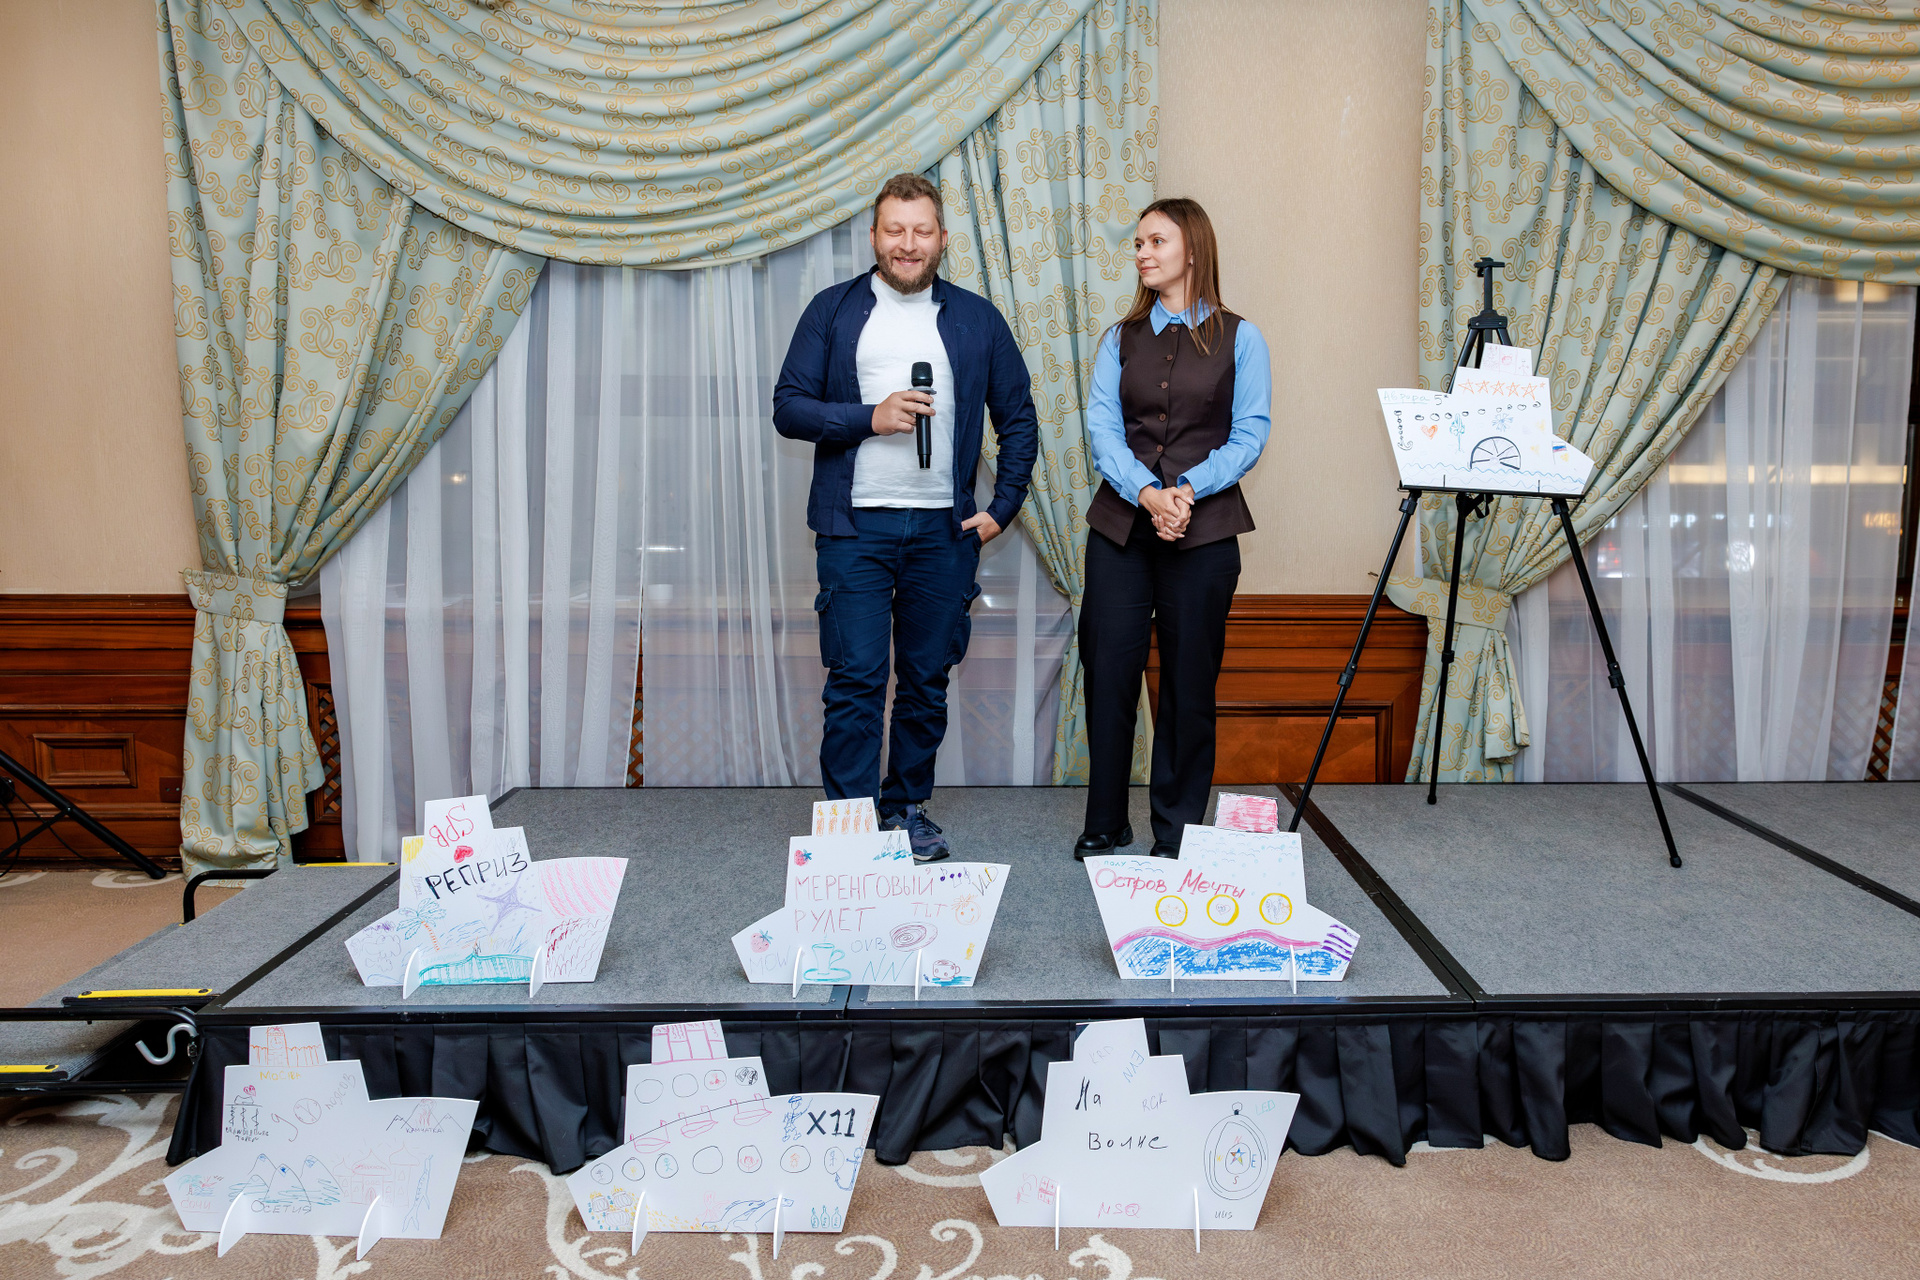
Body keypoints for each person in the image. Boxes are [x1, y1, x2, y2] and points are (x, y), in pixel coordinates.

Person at [773, 173, 1039, 863]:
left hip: (944, 534)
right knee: (855, 680)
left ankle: (904, 810)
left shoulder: (978, 319)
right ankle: (852, 827)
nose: (908, 244)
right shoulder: (832, 311)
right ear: (874, 236)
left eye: (922, 231)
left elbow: (1018, 417)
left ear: (943, 238)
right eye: (895, 230)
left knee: (925, 681)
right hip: (853, 529)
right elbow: (789, 406)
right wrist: (870, 417)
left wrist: (1001, 508)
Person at [1073, 197, 1272, 860]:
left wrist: (1186, 491)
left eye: (1156, 241)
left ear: (1193, 248)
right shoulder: (1119, 339)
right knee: (1108, 673)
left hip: (1205, 532)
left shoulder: (1242, 337)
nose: (1142, 253)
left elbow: (1250, 433)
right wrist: (1147, 494)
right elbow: (1103, 430)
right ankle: (1105, 821)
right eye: (1138, 244)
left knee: (1189, 685)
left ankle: (1177, 830)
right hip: (1120, 531)